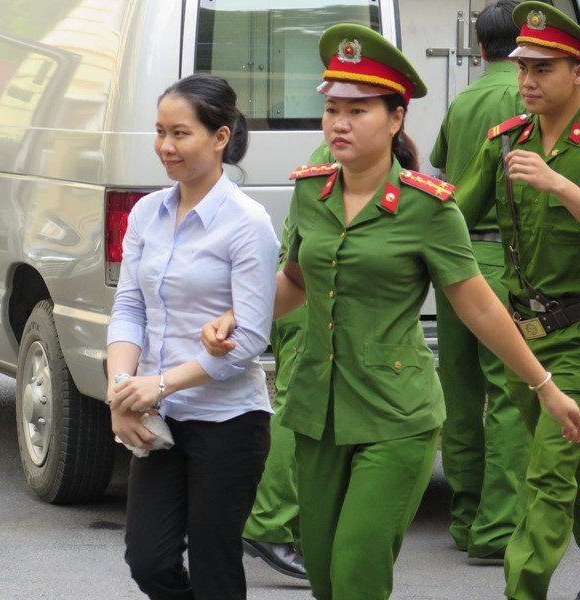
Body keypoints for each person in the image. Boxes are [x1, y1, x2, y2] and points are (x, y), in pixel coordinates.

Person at [202, 23, 580, 600]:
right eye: (332, 108)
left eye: (358, 109)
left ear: (396, 119)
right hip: (317, 411)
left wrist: (545, 384)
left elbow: (478, 305)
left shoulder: (429, 209)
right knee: (327, 578)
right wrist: (239, 316)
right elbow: (296, 281)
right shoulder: (312, 191)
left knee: (356, 575)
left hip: (395, 414)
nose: (340, 123)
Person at [106, 73, 280, 599]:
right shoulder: (145, 212)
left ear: (220, 137)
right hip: (158, 419)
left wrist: (158, 385)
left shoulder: (248, 223)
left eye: (180, 133)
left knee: (214, 565)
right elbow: (129, 305)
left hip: (227, 421)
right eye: (159, 132)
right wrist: (123, 390)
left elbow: (249, 337)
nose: (165, 146)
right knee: (149, 560)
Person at [454, 3, 580, 597]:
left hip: (578, 342)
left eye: (543, 68)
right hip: (524, 343)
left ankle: (520, 591)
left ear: (577, 71)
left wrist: (561, 185)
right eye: (522, 67)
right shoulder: (506, 141)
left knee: (550, 479)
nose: (527, 80)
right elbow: (451, 215)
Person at [429, 0, 530, 561]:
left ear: (480, 46)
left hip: (455, 262)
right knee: (514, 395)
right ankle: (497, 530)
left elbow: (444, 173)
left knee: (462, 394)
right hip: (504, 263)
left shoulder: (463, 97)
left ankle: (466, 520)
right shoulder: (527, 96)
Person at [242, 217, 308, 580]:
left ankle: (289, 524)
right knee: (298, 406)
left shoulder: (320, 162)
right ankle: (268, 522)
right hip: (314, 292)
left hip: (302, 287)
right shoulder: (339, 163)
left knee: (299, 406)